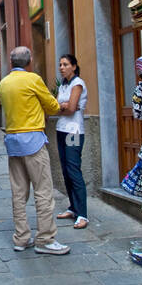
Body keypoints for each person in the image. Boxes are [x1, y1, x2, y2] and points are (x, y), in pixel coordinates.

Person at [0, 47, 68, 254]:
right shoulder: (33, 80)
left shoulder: (4, 83)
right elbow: (53, 106)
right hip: (33, 140)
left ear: (11, 63)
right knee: (43, 191)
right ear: (29, 62)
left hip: (12, 141)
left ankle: (21, 238)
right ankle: (45, 239)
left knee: (18, 193)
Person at [53, 54, 90, 229]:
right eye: (60, 64)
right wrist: (63, 106)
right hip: (61, 130)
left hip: (74, 131)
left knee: (74, 169)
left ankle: (82, 214)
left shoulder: (78, 84)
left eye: (66, 64)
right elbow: (60, 107)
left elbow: (72, 108)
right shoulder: (64, 85)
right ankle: (73, 207)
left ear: (74, 66)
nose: (62, 67)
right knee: (66, 171)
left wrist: (63, 107)